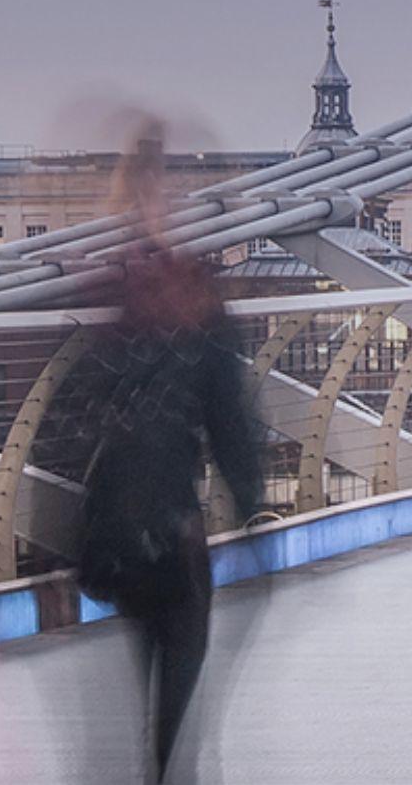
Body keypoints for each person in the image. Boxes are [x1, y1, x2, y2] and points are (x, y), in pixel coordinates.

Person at [73, 131, 269, 783]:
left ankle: (151, 762)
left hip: (110, 528)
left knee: (143, 651)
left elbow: (72, 411)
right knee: (183, 653)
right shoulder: (199, 302)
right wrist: (249, 506)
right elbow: (230, 418)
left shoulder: (105, 296)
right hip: (174, 522)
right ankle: (164, 766)